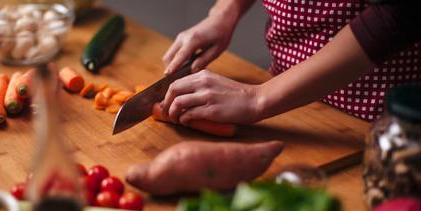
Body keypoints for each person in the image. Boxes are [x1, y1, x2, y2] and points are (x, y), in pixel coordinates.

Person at [125, 0, 421, 194]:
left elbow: (400, 12)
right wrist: (225, 11)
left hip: (376, 131)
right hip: (288, 109)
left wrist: (258, 98)